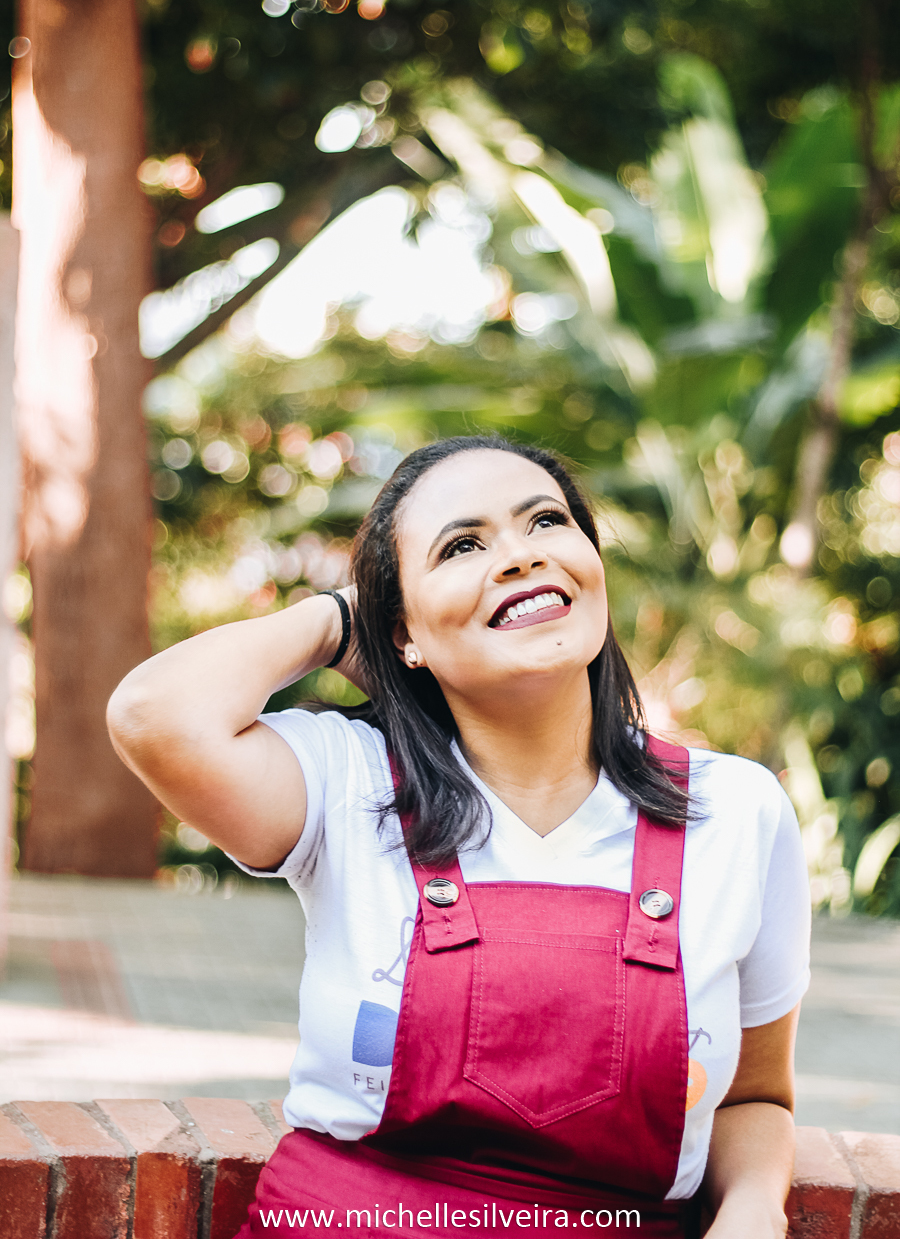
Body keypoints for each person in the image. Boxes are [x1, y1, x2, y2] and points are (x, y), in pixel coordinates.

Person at [108, 434, 810, 1239]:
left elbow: (755, 1096)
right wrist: (343, 619)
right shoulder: (348, 782)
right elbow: (150, 715)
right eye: (464, 545)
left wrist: (755, 1208)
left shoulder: (734, 811)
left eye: (546, 523)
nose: (518, 557)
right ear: (402, 632)